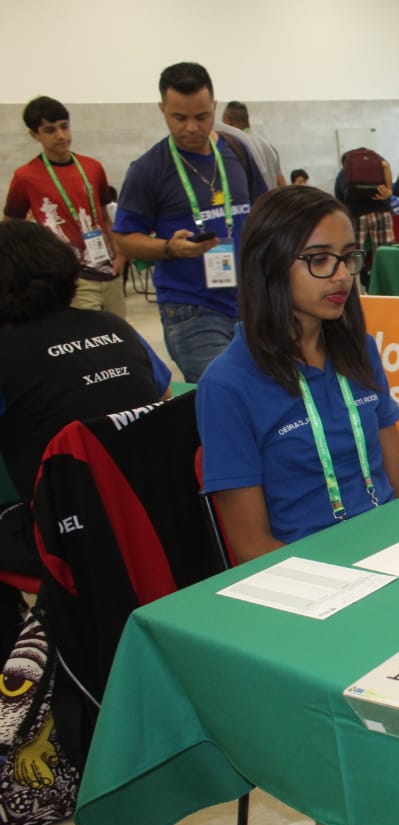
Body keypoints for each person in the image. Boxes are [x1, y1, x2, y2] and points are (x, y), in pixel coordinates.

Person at [196, 186, 399, 562]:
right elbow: (253, 547)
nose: (342, 276)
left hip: (396, 551)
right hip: (306, 575)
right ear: (269, 264)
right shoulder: (227, 385)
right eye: (319, 260)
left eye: (348, 257)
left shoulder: (359, 349)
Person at [0, 221, 170, 504]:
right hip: (156, 500)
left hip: (62, 520)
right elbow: (162, 397)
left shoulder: (7, 351)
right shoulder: (113, 325)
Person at [113, 61, 252, 383]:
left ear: (214, 107)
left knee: (261, 397)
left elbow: (263, 212)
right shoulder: (148, 169)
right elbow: (123, 238)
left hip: (249, 302)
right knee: (224, 396)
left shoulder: (236, 152)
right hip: (192, 310)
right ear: (162, 109)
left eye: (201, 117)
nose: (191, 127)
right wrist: (168, 248)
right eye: (179, 118)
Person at [4, 96, 126, 319]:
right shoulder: (25, 177)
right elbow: (11, 230)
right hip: (71, 275)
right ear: (34, 135)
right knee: (88, 337)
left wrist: (120, 255)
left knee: (118, 331)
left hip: (109, 269)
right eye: (50, 130)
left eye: (64, 126)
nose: (61, 135)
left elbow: (105, 218)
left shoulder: (92, 167)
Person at [335, 147, 394, 290]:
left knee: (354, 255)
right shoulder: (380, 169)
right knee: (385, 254)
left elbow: (340, 199)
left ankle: (356, 290)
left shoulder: (343, 175)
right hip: (382, 213)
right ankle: (388, 290)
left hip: (356, 214)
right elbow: (386, 168)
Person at [221, 100, 285, 188]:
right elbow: (281, 182)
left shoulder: (237, 145)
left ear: (228, 121)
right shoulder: (267, 145)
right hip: (270, 199)